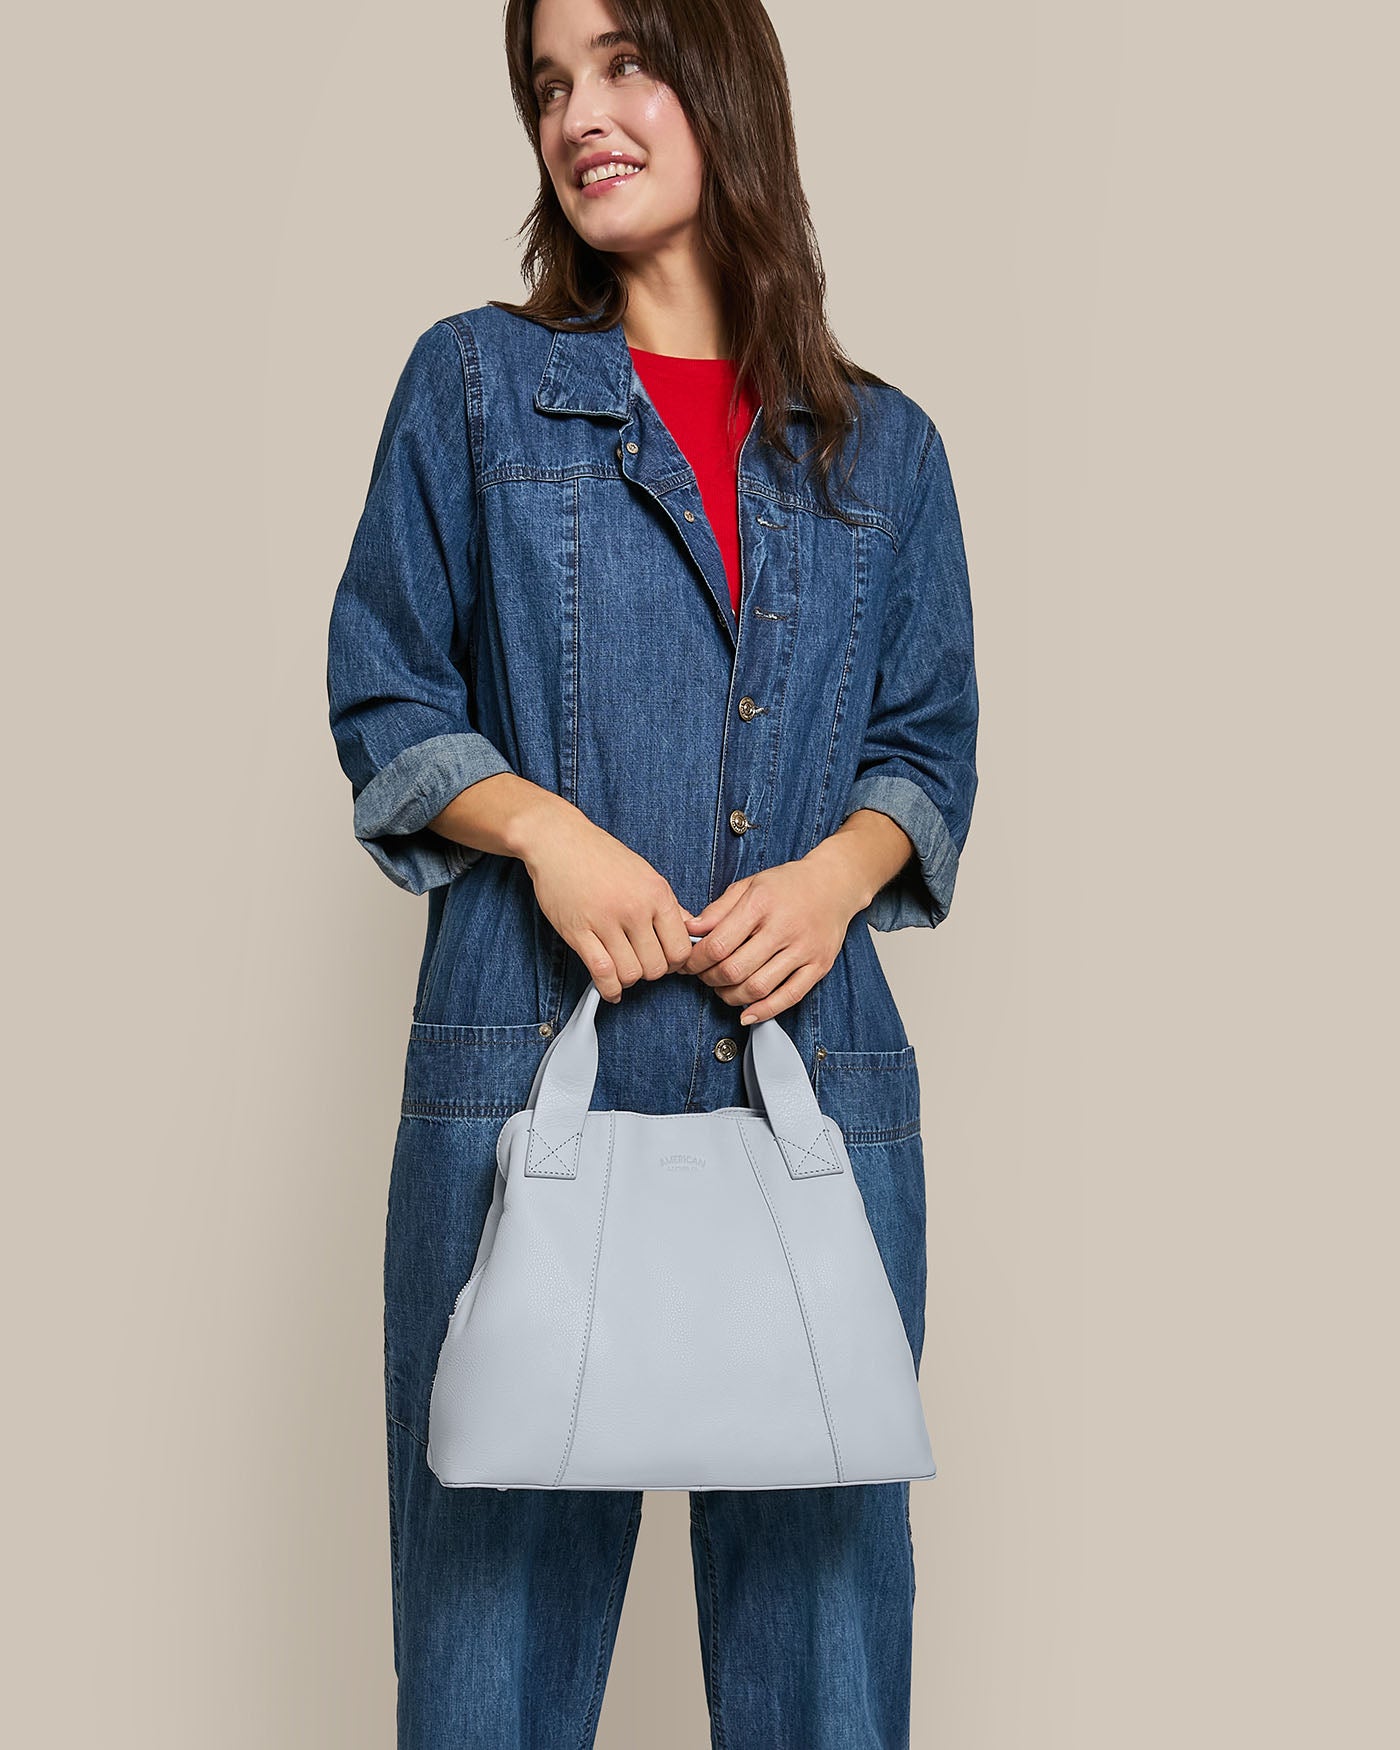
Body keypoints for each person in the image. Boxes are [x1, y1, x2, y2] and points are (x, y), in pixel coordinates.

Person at [325, 0, 979, 1742]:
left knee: (830, 1672)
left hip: (807, 1082)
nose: (580, 111)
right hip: (525, 1071)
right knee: (487, 1679)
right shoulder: (476, 385)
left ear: (722, 81)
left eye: (623, 61)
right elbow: (383, 684)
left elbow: (927, 750)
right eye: (549, 82)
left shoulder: (884, 450)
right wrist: (541, 830)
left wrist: (842, 870)